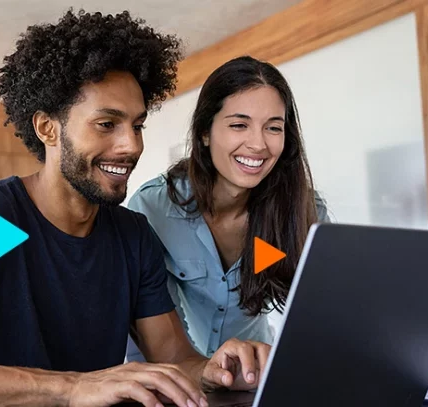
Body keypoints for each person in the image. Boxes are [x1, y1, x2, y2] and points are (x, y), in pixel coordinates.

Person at [0, 11, 271, 407]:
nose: (131, 146)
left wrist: (215, 369)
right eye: (107, 124)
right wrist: (71, 387)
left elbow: (174, 359)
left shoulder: (132, 236)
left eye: (137, 126)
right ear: (48, 128)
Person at [125, 56, 331, 363]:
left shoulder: (304, 212)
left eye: (273, 127)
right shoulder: (153, 208)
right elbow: (145, 319)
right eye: (239, 125)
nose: (258, 144)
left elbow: (324, 314)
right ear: (205, 133)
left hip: (256, 373)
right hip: (179, 370)